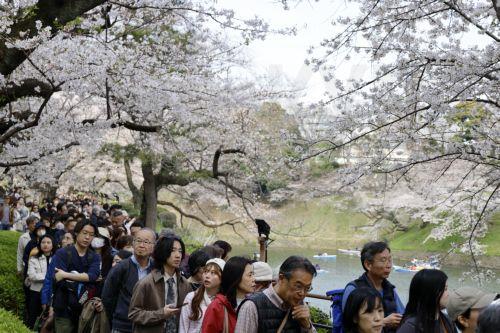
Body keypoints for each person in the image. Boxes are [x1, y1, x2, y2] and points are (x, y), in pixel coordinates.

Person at [41, 220, 101, 333]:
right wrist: (84, 278)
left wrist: (66, 274)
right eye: (84, 233)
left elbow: (93, 276)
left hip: (86, 310)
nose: (87, 237)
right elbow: (59, 279)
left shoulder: (94, 257)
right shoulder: (62, 253)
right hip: (64, 308)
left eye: (91, 235)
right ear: (77, 233)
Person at [235, 255, 316, 333]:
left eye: (307, 288)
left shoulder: (300, 306)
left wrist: (307, 326)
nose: (302, 293)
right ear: (281, 278)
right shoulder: (251, 306)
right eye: (298, 286)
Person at [129, 235, 192, 333]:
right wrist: (161, 314)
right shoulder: (146, 283)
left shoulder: (185, 284)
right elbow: (134, 314)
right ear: (163, 252)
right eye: (173, 250)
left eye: (180, 251)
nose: (178, 255)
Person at [342, 242, 404, 333]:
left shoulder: (390, 289)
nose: (389, 265)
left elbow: (403, 314)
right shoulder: (354, 289)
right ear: (368, 265)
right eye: (383, 260)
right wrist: (384, 322)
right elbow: (348, 322)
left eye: (390, 260)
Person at [103, 228, 155, 333]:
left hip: (147, 326)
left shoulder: (155, 268)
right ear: (133, 244)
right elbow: (107, 297)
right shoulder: (121, 267)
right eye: (138, 241)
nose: (141, 245)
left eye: (146, 242)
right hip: (122, 326)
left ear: (153, 246)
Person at [202, 256, 255, 333]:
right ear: (236, 277)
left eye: (253, 274)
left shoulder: (252, 304)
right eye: (250, 275)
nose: (254, 279)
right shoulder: (217, 307)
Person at [397, 269, 456, 333]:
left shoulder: (447, 320)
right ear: (430, 293)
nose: (449, 294)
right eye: (445, 289)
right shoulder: (410, 327)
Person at [179, 258, 225, 333]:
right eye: (205, 271)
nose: (207, 276)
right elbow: (183, 327)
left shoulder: (224, 302)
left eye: (213, 273)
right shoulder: (191, 297)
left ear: (222, 278)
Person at [26, 235, 55, 329]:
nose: (45, 245)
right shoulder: (34, 258)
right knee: (32, 316)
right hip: (35, 291)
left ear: (52, 244)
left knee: (47, 319)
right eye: (43, 242)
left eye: (48, 242)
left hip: (50, 293)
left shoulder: (56, 259)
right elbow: (32, 275)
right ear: (40, 244)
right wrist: (49, 276)